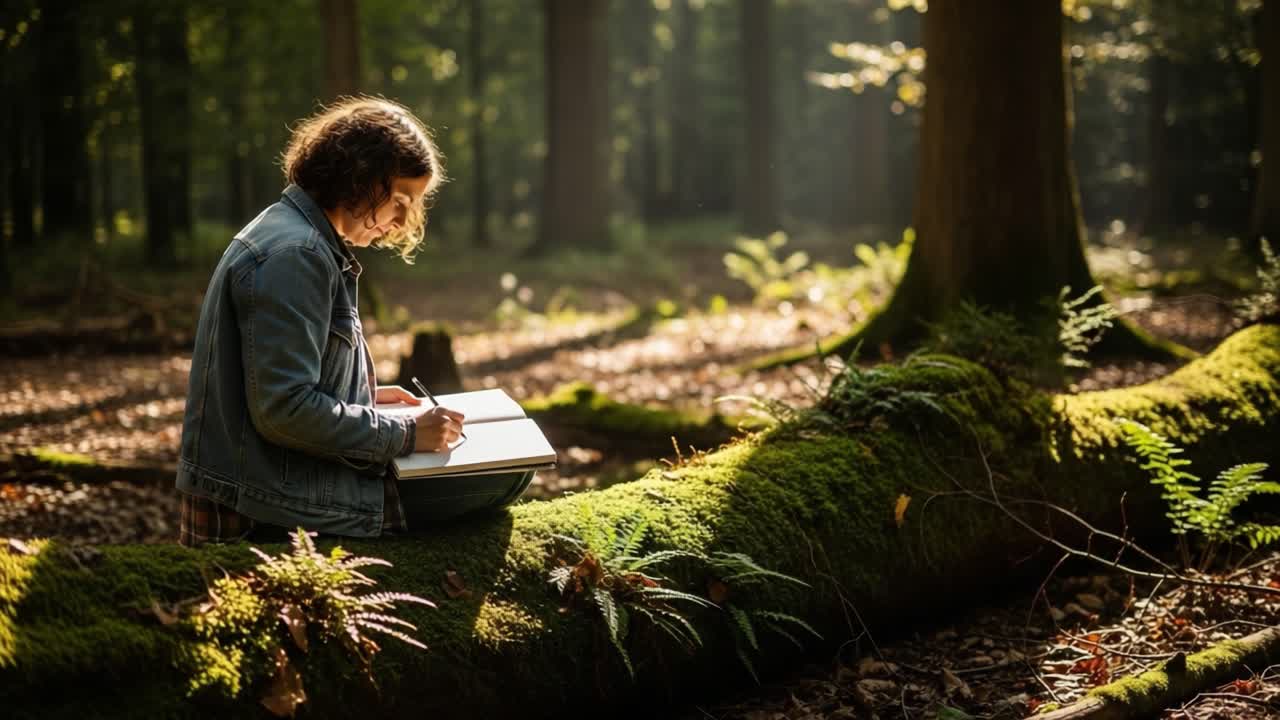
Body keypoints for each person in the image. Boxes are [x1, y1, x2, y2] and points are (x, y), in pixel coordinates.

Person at [175, 96, 533, 546]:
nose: (402, 219)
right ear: (359, 176)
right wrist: (405, 434)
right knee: (506, 476)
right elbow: (283, 410)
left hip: (274, 480)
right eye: (399, 199)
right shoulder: (297, 255)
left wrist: (364, 397)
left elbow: (274, 384)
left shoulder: (296, 236)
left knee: (507, 469)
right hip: (264, 501)